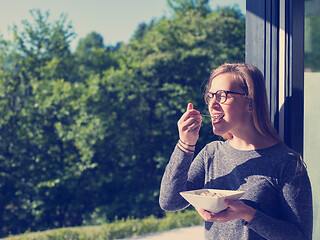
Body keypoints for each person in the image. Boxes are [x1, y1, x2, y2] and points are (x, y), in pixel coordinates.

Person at [159, 63, 313, 240]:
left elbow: (301, 237)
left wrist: (248, 214)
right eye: (210, 97)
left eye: (221, 96)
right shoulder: (212, 153)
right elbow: (170, 202)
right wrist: (185, 144)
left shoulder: (287, 162)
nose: (213, 104)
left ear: (250, 102)